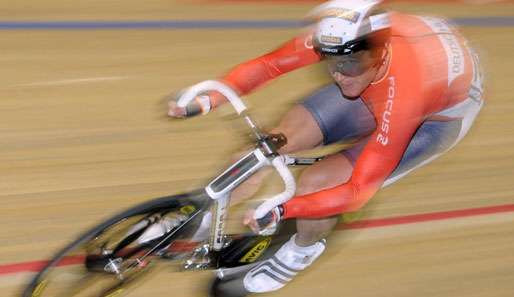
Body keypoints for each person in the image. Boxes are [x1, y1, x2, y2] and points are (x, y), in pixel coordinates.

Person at [167, 0, 484, 295]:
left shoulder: (407, 92)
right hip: (388, 75)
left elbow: (358, 189)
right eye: (331, 63)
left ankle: (302, 250)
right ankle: (202, 218)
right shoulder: (342, 37)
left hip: (432, 118)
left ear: (380, 53)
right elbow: (269, 66)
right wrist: (210, 100)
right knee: (267, 147)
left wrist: (283, 209)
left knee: (318, 183)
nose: (339, 74)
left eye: (349, 64)